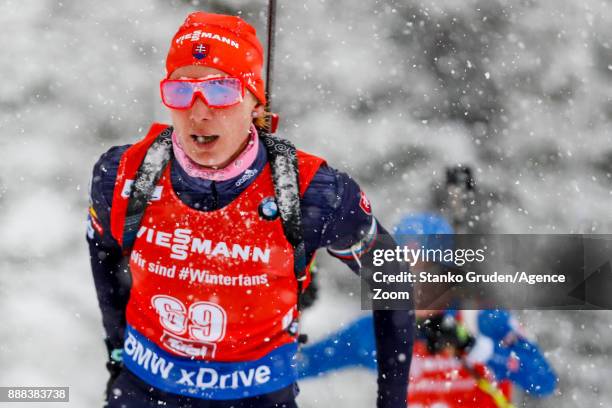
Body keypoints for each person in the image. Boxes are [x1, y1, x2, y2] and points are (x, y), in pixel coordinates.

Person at [87, 11, 414, 408]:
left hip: (257, 397)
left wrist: (392, 401)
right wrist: (117, 347)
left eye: (222, 91)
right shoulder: (123, 176)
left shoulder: (313, 192)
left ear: (256, 101)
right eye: (180, 90)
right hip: (144, 392)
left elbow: (392, 276)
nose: (199, 111)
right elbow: (102, 249)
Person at [297, 213, 557, 407]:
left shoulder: (484, 321)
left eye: (428, 273)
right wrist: (290, 305)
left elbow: (543, 380)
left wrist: (476, 348)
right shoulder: (376, 331)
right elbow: (297, 366)